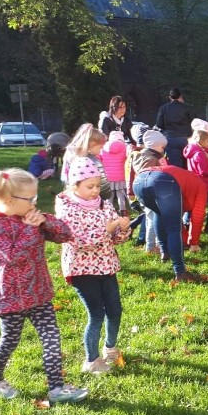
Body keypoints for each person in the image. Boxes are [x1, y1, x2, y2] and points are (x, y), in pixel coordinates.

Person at [0, 168, 88, 404]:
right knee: (9, 341)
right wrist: (30, 229)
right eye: (30, 199)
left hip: (40, 293)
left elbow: (65, 234)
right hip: (13, 298)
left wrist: (45, 222)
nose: (34, 203)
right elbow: (13, 257)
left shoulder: (29, 219)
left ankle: (56, 388)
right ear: (9, 200)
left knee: (51, 337)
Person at [55, 157, 130, 375]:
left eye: (98, 186)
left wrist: (122, 229)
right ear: (74, 185)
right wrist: (109, 229)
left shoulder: (104, 205)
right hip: (82, 269)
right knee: (96, 313)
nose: (95, 191)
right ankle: (91, 360)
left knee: (115, 309)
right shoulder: (68, 209)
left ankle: (110, 348)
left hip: (107, 265)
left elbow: (116, 239)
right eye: (90, 187)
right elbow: (80, 241)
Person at [183, 128, 208, 234]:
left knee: (194, 205)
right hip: (203, 183)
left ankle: (186, 224)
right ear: (201, 141)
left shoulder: (193, 150)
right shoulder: (199, 153)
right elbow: (203, 170)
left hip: (195, 181)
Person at [61, 124, 111, 202]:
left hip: (74, 196)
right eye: (100, 147)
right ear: (93, 144)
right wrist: (107, 195)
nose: (101, 151)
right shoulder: (93, 161)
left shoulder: (70, 155)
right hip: (92, 199)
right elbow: (103, 183)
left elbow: (64, 177)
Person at [155, 88, 195, 169]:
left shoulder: (163, 108)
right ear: (180, 96)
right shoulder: (187, 108)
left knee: (175, 165)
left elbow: (159, 124)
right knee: (187, 164)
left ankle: (177, 180)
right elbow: (194, 122)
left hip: (170, 138)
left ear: (170, 97)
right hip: (186, 138)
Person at [101, 131, 131, 215]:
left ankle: (109, 212)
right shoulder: (125, 147)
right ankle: (123, 211)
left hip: (108, 177)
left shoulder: (103, 147)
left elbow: (100, 159)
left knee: (109, 196)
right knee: (121, 195)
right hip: (121, 176)